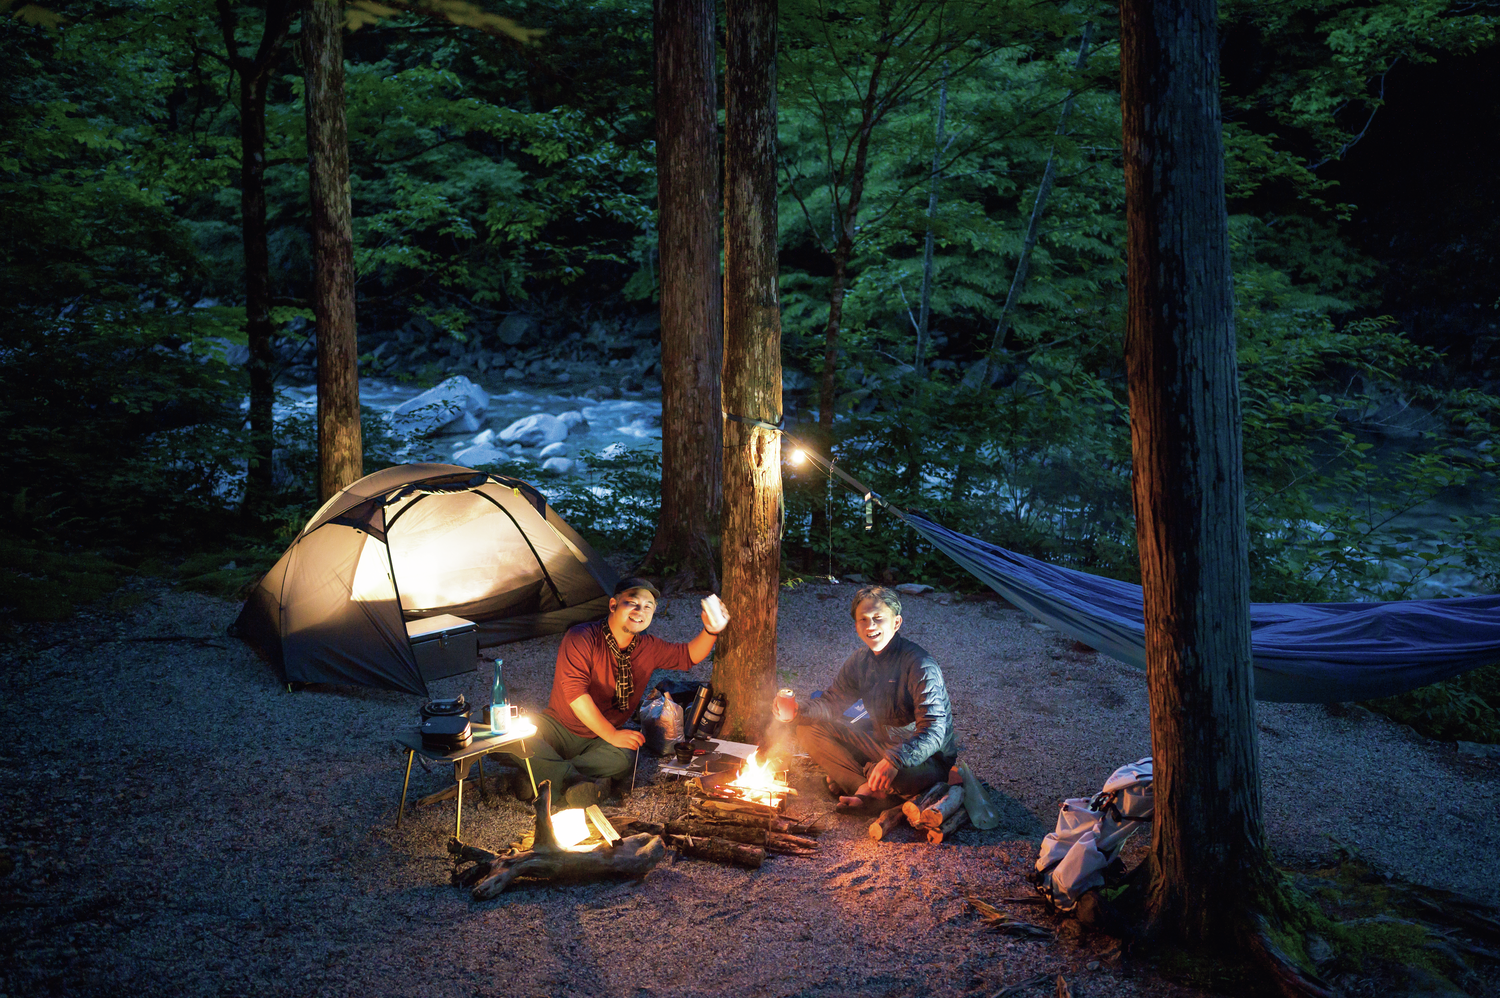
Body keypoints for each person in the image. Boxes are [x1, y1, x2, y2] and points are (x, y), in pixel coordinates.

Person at [521, 576, 729, 806]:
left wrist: (711, 631)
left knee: (624, 757)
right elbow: (576, 695)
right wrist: (612, 734)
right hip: (558, 727)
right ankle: (573, 780)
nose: (641, 610)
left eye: (648, 607)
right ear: (613, 605)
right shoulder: (581, 637)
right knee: (512, 736)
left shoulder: (647, 647)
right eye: (633, 603)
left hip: (598, 740)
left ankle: (539, 776)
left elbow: (688, 655)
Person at [772, 585, 957, 809]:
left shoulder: (920, 665)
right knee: (808, 728)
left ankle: (867, 779)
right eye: (863, 619)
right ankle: (864, 787)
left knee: (902, 778)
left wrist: (894, 760)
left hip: (925, 759)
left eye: (878, 618)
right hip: (880, 745)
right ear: (856, 626)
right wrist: (797, 711)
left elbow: (935, 731)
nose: (871, 626)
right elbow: (832, 703)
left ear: (896, 623)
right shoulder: (860, 661)